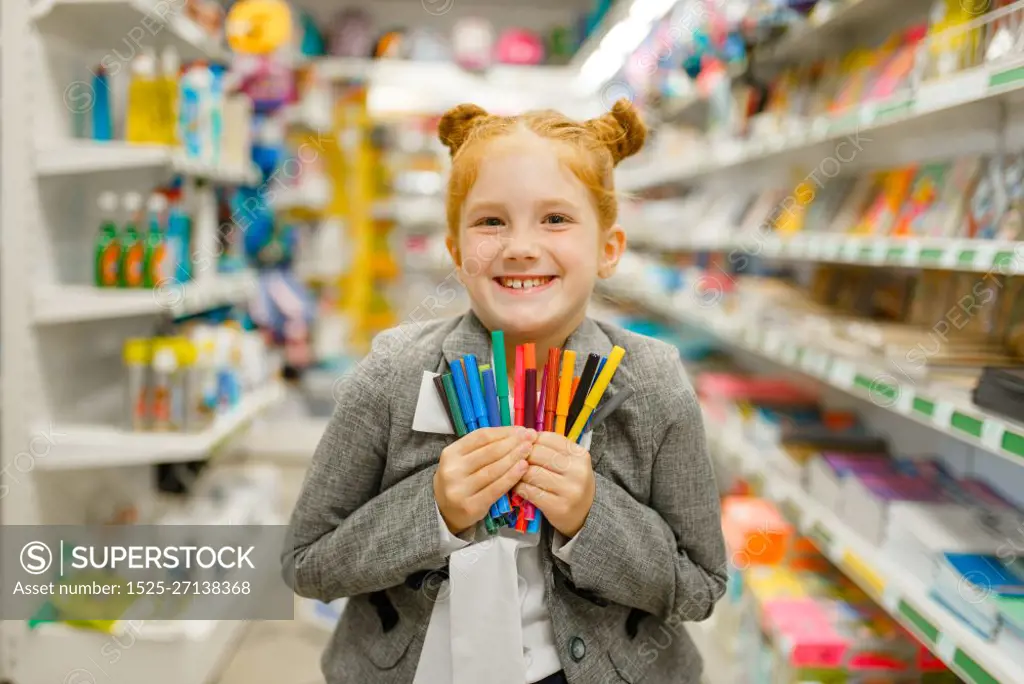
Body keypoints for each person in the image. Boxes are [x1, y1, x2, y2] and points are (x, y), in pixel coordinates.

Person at [282, 97, 728, 684]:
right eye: (491, 221)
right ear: (456, 251)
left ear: (609, 249)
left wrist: (594, 518)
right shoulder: (392, 374)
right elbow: (305, 562)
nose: (520, 245)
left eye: (556, 219)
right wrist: (432, 510)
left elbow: (701, 586)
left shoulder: (652, 382)